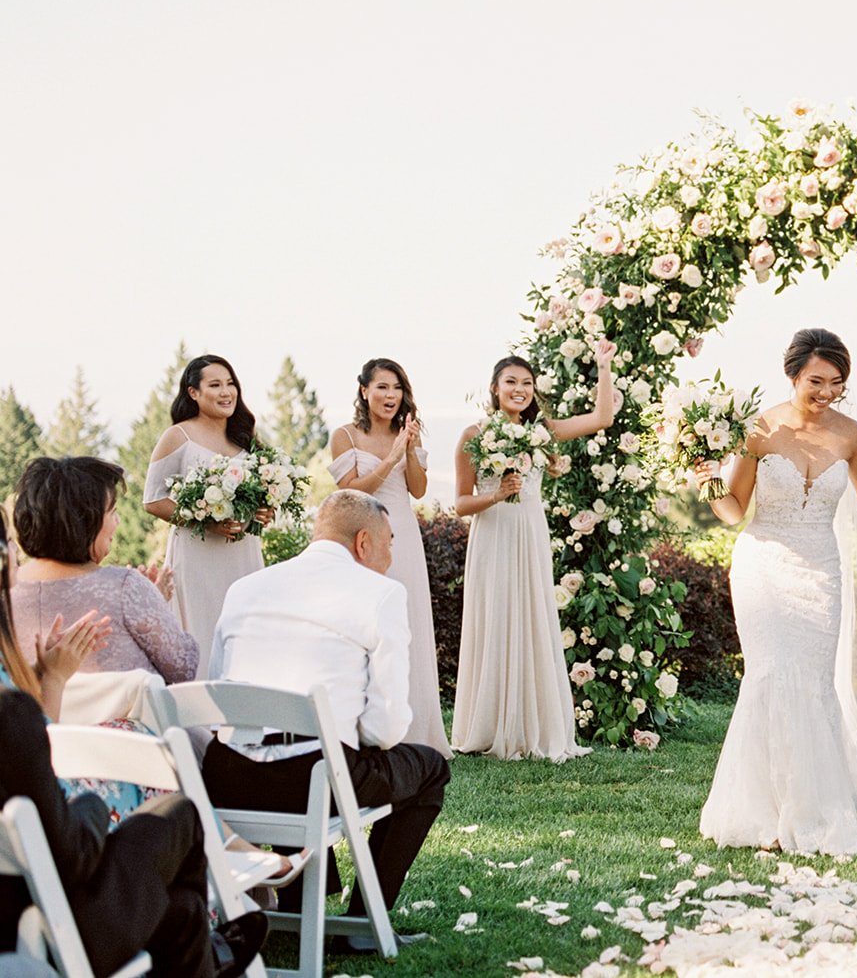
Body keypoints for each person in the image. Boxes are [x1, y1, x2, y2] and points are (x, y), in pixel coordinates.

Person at [0, 511, 267, 978]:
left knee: (180, 910)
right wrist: (92, 807)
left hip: (26, 917)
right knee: (179, 814)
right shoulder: (10, 712)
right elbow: (72, 855)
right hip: (46, 933)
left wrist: (54, 680)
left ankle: (208, 950)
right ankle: (212, 950)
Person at [201, 491, 449, 954]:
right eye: (389, 543)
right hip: (312, 783)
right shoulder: (382, 595)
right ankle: (359, 924)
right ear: (362, 543)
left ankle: (298, 907)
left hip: (225, 779)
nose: (391, 556)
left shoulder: (246, 587)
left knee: (314, 753)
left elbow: (219, 689)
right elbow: (387, 728)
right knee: (428, 767)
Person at [693, 329, 857, 855]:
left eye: (836, 384)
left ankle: (818, 803)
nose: (826, 393)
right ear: (793, 375)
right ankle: (765, 811)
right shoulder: (759, 429)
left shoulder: (851, 436)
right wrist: (709, 481)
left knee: (814, 682)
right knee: (771, 674)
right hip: (763, 564)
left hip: (821, 570)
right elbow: (735, 509)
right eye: (815, 382)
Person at [450, 344, 616, 760]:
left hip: (530, 533)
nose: (519, 389)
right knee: (497, 616)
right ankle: (489, 724)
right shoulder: (474, 436)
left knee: (530, 616)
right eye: (511, 382)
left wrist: (603, 364)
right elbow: (460, 504)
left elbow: (602, 418)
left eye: (526, 383)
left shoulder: (542, 432)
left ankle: (530, 725)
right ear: (495, 388)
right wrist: (497, 494)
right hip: (492, 534)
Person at [329, 358, 449, 756]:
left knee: (406, 622)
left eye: (396, 388)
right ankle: (364, 724)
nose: (390, 396)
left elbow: (417, 489)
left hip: (403, 536)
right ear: (364, 390)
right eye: (381, 387)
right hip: (359, 534)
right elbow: (352, 491)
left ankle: (414, 727)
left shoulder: (406, 434)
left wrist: (410, 450)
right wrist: (391, 455)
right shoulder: (345, 436)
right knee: (364, 624)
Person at [10, 456, 196, 685]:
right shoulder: (126, 587)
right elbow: (184, 670)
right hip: (119, 719)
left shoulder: (6, 590)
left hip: (39, 719)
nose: (117, 522)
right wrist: (153, 601)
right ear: (85, 521)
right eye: (112, 512)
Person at [144, 355, 269, 676]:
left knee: (244, 631)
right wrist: (206, 522)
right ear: (193, 393)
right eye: (215, 385)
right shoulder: (179, 436)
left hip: (242, 552)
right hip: (198, 554)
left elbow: (261, 491)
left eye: (230, 384)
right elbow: (153, 500)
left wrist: (261, 512)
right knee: (202, 628)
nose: (226, 392)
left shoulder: (246, 436)